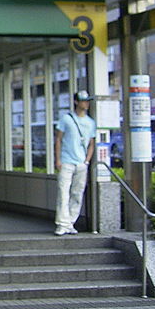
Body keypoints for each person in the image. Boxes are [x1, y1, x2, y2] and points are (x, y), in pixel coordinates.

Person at [54, 90, 96, 236]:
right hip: (66, 161)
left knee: (77, 194)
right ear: (76, 102)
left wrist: (87, 161)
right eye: (83, 100)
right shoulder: (66, 119)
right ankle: (62, 223)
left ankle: (70, 222)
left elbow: (92, 143)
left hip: (81, 163)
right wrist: (58, 160)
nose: (86, 103)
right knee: (63, 193)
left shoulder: (91, 122)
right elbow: (58, 139)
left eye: (87, 100)